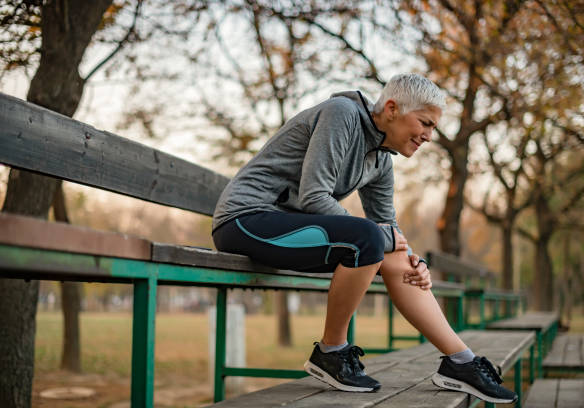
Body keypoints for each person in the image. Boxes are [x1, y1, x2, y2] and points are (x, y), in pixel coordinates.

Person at [211, 74, 517, 404]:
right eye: (424, 123)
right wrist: (381, 236)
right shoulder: (341, 113)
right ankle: (331, 351)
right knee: (369, 239)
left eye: (432, 128)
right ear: (391, 108)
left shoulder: (381, 159)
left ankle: (461, 362)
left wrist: (416, 261)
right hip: (244, 220)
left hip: (290, 228)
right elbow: (315, 196)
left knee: (391, 249)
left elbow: (388, 226)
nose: (428, 136)